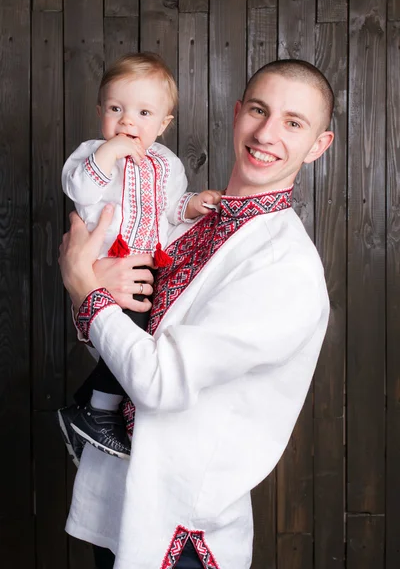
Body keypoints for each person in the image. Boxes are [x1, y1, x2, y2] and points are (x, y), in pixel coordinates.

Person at [58, 59, 335, 569]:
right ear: (237, 114)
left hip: (179, 529)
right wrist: (98, 288)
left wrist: (83, 287)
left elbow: (159, 380)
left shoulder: (284, 265)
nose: (267, 132)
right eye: (258, 110)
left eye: (294, 123)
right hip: (119, 498)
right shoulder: (188, 223)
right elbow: (119, 341)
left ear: (319, 145)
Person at [57, 51, 221, 464]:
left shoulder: (167, 164)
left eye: (143, 112)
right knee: (127, 339)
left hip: (149, 267)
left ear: (163, 124)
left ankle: (83, 408)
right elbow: (80, 189)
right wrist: (109, 152)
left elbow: (169, 210)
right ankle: (96, 412)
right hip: (106, 267)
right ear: (100, 113)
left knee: (142, 341)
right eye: (116, 109)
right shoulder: (93, 154)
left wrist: (192, 205)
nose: (128, 121)